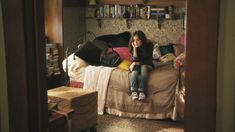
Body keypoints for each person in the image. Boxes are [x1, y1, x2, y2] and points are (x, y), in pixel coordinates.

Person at [129, 30, 154, 100]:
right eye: (134, 40)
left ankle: (142, 91)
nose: (135, 42)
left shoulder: (149, 46)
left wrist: (136, 63)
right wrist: (134, 49)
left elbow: (148, 60)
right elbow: (135, 60)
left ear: (142, 39)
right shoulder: (133, 46)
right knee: (134, 72)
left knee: (144, 67)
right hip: (138, 65)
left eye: (138, 40)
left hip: (148, 65)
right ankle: (134, 91)